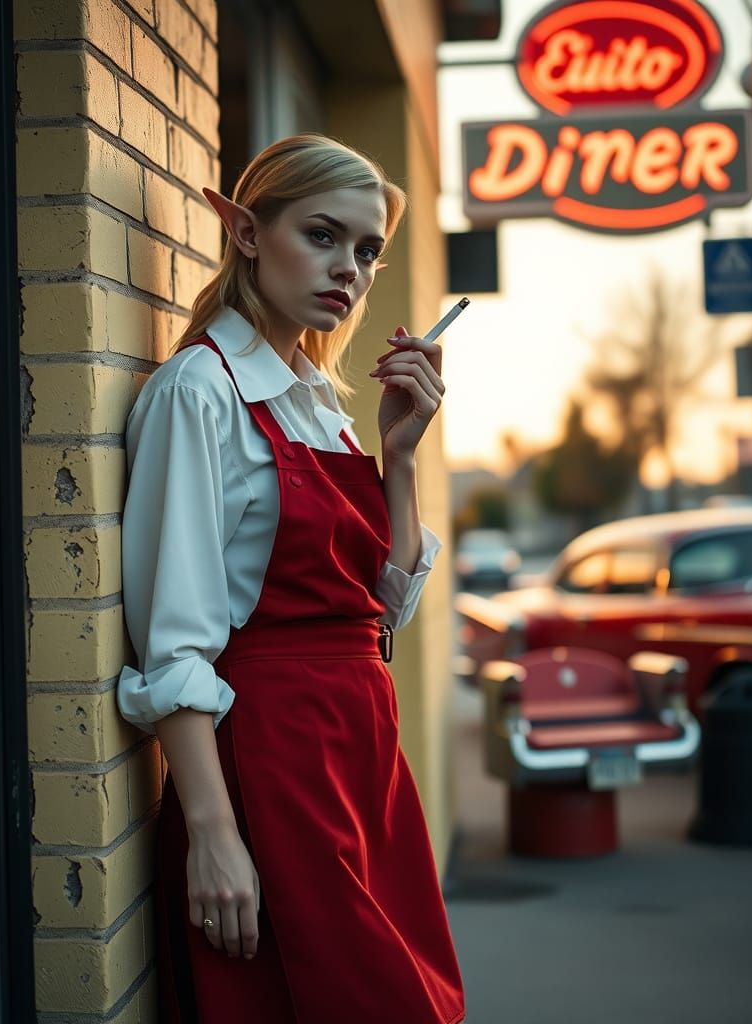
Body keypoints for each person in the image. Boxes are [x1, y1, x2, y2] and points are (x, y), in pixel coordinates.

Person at [116, 134, 466, 1023]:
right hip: (274, 765)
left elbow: (383, 611)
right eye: (321, 235)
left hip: (361, 760)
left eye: (366, 250)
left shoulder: (318, 401)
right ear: (244, 232)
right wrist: (214, 832)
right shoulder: (199, 391)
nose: (347, 269)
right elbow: (174, 641)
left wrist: (398, 457)